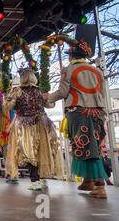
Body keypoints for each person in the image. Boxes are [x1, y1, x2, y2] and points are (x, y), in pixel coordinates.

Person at [45, 40, 108, 198]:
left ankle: (100, 185)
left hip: (78, 112)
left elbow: (62, 92)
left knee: (85, 148)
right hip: (97, 113)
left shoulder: (68, 70)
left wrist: (47, 98)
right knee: (94, 147)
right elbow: (102, 94)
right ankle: (88, 181)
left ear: (72, 55)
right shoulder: (97, 71)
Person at [5, 68, 63, 190]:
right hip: (43, 124)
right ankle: (42, 179)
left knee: (28, 152)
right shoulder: (39, 91)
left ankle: (35, 180)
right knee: (43, 151)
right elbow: (50, 105)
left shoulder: (17, 91)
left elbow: (8, 106)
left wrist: (8, 97)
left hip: (25, 126)